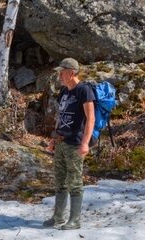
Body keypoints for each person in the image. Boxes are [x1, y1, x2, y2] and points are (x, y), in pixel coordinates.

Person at [44, 58, 95, 230]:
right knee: (60, 181)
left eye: (62, 72)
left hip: (76, 143)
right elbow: (60, 117)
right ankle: (58, 217)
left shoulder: (84, 90)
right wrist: (54, 139)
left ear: (71, 73)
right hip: (61, 143)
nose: (59, 75)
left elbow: (91, 119)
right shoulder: (64, 92)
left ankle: (75, 220)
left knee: (74, 181)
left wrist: (85, 143)